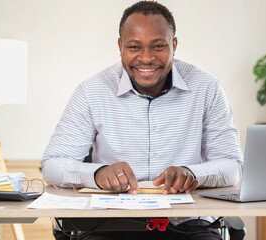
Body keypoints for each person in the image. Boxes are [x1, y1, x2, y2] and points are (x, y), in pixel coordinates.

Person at [42, 1, 243, 239]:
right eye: (134, 47)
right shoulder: (91, 91)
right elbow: (52, 164)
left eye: (158, 46)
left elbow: (232, 166)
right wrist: (97, 174)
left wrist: (192, 174)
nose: (146, 58)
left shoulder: (207, 88)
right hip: (111, 225)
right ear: (120, 46)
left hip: (189, 224)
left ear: (174, 45)